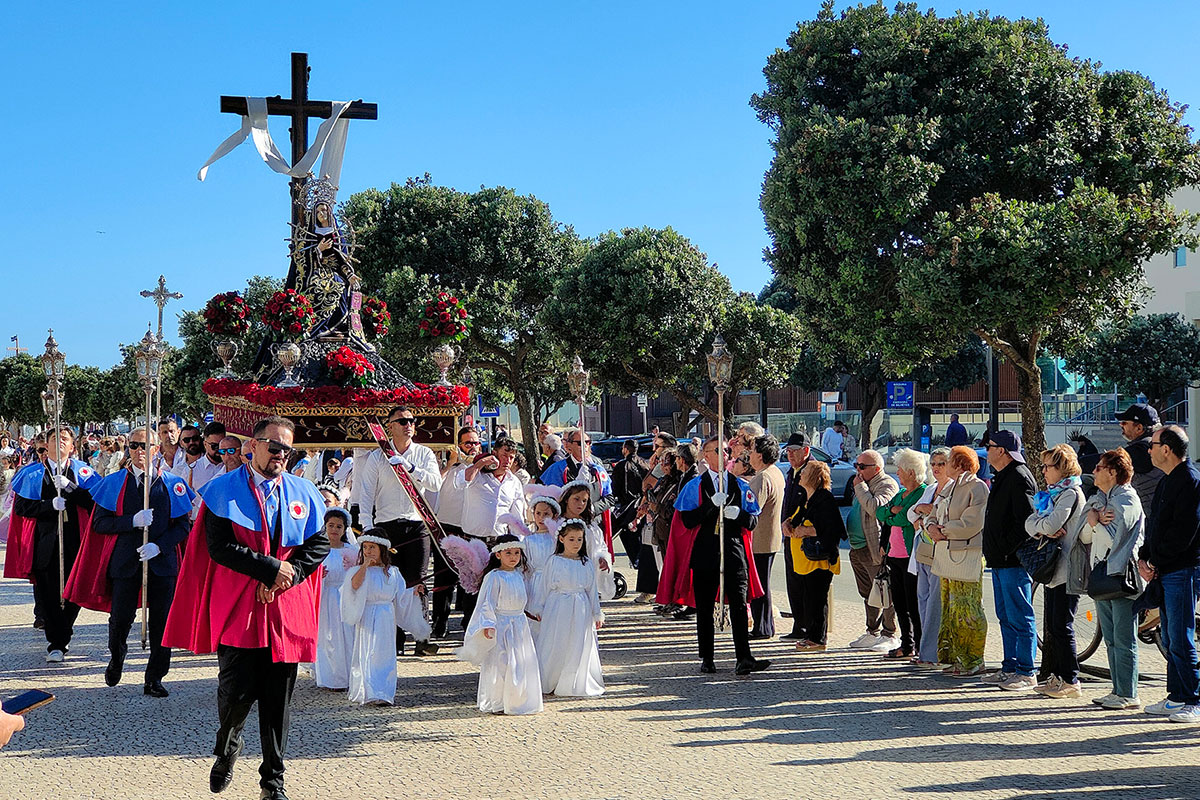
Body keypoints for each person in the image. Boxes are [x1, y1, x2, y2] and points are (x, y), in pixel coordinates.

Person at [162, 416, 328, 800]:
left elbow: (318, 543)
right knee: (236, 693)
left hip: (284, 607)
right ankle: (227, 749)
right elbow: (218, 546)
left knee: (278, 701)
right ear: (252, 446)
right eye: (274, 446)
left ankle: (273, 782)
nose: (281, 455)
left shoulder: (304, 490)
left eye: (288, 449)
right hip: (240, 605)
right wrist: (271, 570)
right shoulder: (222, 489)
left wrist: (289, 575)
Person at [81, 427, 194, 697]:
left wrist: (159, 545)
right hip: (126, 561)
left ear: (157, 449)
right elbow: (99, 523)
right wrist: (131, 521)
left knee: (161, 622)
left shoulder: (172, 484)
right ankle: (116, 657)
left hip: (161, 561)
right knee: (120, 618)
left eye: (145, 445)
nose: (139, 451)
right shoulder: (114, 482)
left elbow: (182, 527)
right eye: (133, 446)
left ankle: (154, 677)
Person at [677, 435, 768, 676]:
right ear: (706, 455)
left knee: (739, 604)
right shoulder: (694, 486)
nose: (724, 454)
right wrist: (708, 508)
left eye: (726, 450)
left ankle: (744, 657)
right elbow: (686, 520)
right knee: (705, 607)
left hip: (734, 551)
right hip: (705, 552)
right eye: (717, 450)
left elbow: (752, 520)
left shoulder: (739, 485)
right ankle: (707, 657)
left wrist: (737, 514)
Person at [356, 405, 444, 656]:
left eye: (411, 421)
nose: (408, 425)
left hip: (417, 524)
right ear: (390, 426)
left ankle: (421, 636)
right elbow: (366, 494)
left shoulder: (424, 453)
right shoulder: (377, 457)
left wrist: (409, 466)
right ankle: (394, 638)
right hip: (386, 526)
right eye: (402, 421)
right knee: (389, 582)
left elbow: (435, 483)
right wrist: (367, 528)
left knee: (417, 582)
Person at [12, 426, 101, 661]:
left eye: (64, 439)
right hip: (45, 541)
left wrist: (71, 489)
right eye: (55, 439)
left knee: (74, 590)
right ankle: (56, 642)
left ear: (72, 446)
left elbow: (96, 503)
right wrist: (49, 505)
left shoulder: (84, 472)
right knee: (48, 592)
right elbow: (22, 508)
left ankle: (63, 634)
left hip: (76, 540)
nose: (59, 442)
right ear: (46, 445)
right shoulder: (32, 473)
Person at [1073, 449, 1144, 709]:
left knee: (1124, 638)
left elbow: (1115, 536)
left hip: (1121, 574)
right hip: (1102, 574)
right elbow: (1083, 536)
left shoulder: (1126, 498)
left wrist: (1095, 521)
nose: (1095, 470)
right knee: (1112, 638)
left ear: (1113, 472)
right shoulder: (1099, 499)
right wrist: (1093, 519)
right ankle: (1117, 689)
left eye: (1101, 467)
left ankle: (1128, 693)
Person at [1138, 425, 1200, 723]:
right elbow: (1156, 526)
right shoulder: (1166, 481)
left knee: (1181, 634)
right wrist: (1144, 556)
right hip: (1165, 568)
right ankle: (1176, 696)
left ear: (1168, 448)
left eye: (1152, 444)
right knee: (1171, 636)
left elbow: (1184, 531)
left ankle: (1192, 698)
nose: (1148, 449)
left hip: (1183, 568)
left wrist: (1156, 560)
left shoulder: (1190, 479)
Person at [1025, 444, 1088, 698]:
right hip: (1054, 570)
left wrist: (1043, 526)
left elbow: (1052, 523)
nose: (1043, 471)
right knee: (1054, 624)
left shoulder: (1070, 493)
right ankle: (1060, 676)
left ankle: (1071, 679)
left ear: (1062, 468)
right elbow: (1031, 522)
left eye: (1047, 466)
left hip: (1067, 569)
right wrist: (1043, 527)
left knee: (1063, 625)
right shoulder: (1052, 494)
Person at [456, 535, 543, 715]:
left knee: (520, 661)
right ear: (498, 555)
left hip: (519, 624)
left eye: (517, 553)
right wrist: (488, 624)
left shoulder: (519, 575)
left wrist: (533, 612)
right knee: (502, 662)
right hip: (502, 625)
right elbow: (487, 602)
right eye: (508, 553)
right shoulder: (494, 577)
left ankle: (520, 700)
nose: (513, 557)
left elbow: (525, 597)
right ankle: (498, 700)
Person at [341, 532, 431, 705]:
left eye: (372, 547)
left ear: (382, 550)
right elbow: (354, 586)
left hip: (385, 616)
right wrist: (364, 567)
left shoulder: (393, 572)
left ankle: (383, 692)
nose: (368, 551)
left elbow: (400, 597)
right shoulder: (357, 571)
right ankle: (367, 691)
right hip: (367, 614)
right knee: (367, 651)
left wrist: (413, 592)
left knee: (383, 653)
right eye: (365, 548)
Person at [979, 430, 1038, 691]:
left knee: (1020, 614)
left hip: (1013, 560)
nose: (986, 451)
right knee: (1005, 614)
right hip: (1000, 560)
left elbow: (1025, 521)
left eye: (990, 447)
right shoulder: (1003, 476)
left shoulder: (1018, 476)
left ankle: (1026, 671)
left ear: (1001, 451)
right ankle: (1010, 667)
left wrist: (1005, 548)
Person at [924, 446, 990, 677]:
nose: (943, 465)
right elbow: (933, 512)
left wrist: (944, 530)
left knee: (968, 608)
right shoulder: (950, 487)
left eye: (948, 461)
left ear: (960, 464)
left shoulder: (977, 487)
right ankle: (955, 657)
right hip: (946, 553)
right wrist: (931, 526)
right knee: (951, 609)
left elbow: (973, 522)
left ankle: (973, 659)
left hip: (967, 552)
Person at [529, 518, 605, 697]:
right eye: (571, 539)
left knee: (577, 642)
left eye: (579, 539)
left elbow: (592, 590)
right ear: (561, 539)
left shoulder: (585, 562)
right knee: (556, 640)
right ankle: (552, 679)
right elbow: (544, 587)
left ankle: (573, 680)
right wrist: (539, 608)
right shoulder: (554, 561)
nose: (576, 543)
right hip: (557, 606)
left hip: (580, 608)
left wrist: (596, 613)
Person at [459, 439, 529, 624]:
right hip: (474, 539)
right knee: (473, 585)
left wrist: (519, 543)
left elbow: (517, 516)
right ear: (495, 453)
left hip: (498, 541)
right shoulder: (478, 474)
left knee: (494, 585)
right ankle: (470, 624)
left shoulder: (514, 482)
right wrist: (480, 463)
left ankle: (491, 623)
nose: (507, 460)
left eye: (511, 457)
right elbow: (461, 482)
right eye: (504, 455)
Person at [876, 449, 929, 659]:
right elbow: (881, 512)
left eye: (900, 469)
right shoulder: (900, 494)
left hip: (910, 556)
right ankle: (906, 644)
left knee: (912, 603)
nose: (897, 472)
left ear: (911, 472)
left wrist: (893, 514)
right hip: (894, 555)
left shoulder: (921, 492)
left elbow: (905, 518)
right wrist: (891, 512)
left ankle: (918, 644)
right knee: (899, 602)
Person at [846, 450, 900, 651]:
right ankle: (872, 631)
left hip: (874, 548)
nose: (857, 470)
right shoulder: (862, 484)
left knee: (884, 591)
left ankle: (889, 633)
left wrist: (860, 487)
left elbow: (875, 507)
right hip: (857, 547)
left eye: (862, 466)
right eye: (856, 465)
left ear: (877, 469)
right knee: (868, 593)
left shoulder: (887, 484)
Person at [790, 460, 844, 651]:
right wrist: (789, 525)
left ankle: (818, 639)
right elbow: (798, 518)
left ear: (813, 477)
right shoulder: (807, 497)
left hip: (820, 559)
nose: (801, 475)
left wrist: (804, 531)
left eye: (805, 472)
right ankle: (810, 635)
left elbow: (832, 528)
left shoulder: (824, 498)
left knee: (817, 599)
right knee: (808, 598)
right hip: (806, 560)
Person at [909, 447, 954, 667]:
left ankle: (931, 654)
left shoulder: (954, 488)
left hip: (941, 552)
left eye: (941, 464)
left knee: (936, 603)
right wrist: (921, 512)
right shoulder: (932, 488)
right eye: (934, 464)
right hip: (923, 550)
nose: (936, 468)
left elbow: (941, 517)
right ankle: (925, 650)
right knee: (923, 601)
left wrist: (924, 513)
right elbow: (911, 512)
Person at [315, 508, 356, 691]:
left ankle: (347, 676)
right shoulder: (318, 550)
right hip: (325, 596)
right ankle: (328, 677)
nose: (334, 529)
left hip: (345, 597)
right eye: (331, 525)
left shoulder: (351, 551)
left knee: (347, 636)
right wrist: (318, 577)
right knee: (327, 637)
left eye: (339, 526)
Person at [747, 434, 784, 639]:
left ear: (760, 455)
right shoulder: (775, 472)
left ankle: (762, 627)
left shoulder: (762, 478)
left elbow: (753, 509)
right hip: (770, 537)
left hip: (760, 539)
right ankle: (765, 625)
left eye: (752, 451)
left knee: (759, 585)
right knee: (763, 583)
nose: (749, 455)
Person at [780, 432, 812, 639]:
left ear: (806, 451)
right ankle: (799, 625)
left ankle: (810, 628)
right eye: (788, 451)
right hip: (789, 535)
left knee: (807, 584)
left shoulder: (812, 471)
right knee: (793, 582)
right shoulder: (792, 472)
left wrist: (795, 522)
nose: (790, 455)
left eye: (794, 451)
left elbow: (812, 505)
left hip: (805, 536)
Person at [1117, 403, 1165, 509]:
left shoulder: (1142, 449)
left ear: (1139, 428)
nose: (1121, 425)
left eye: (1124, 422)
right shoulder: (1155, 443)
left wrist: (1075, 462)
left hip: (1150, 513)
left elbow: (1111, 461)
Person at [611, 439, 648, 569]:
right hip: (642, 505)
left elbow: (615, 488)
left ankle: (637, 562)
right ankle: (640, 562)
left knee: (629, 537)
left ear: (626, 449)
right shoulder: (645, 464)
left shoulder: (622, 466)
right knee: (640, 537)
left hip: (627, 507)